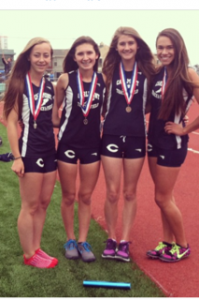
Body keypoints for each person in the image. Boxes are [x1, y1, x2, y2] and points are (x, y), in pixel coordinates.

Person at [100, 27, 155, 262]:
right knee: (112, 192)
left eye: (130, 43)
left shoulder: (148, 72)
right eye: (122, 44)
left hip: (135, 136)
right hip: (111, 134)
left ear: (138, 45)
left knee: (130, 192)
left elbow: (154, 103)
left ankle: (124, 241)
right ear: (116, 47)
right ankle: (111, 238)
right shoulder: (109, 71)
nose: (126, 48)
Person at [3, 37, 58, 268]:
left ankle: (36, 248)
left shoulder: (48, 85)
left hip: (49, 149)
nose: (42, 59)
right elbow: (11, 121)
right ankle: (28, 254)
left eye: (46, 55)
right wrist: (17, 157)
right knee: (30, 205)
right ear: (29, 57)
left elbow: (52, 119)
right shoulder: (19, 84)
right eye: (37, 55)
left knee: (44, 203)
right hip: (29, 150)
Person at [147, 28, 199, 262]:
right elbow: (151, 106)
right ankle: (167, 242)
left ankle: (183, 245)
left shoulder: (188, 74)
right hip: (154, 139)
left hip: (173, 142)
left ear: (178, 48)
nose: (164, 51)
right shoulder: (157, 73)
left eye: (169, 47)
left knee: (162, 198)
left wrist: (184, 128)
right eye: (160, 47)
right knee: (163, 196)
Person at [52, 36, 105, 262]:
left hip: (93, 144)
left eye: (89, 53)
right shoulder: (65, 79)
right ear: (74, 57)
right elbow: (56, 107)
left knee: (85, 195)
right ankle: (70, 239)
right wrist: (52, 124)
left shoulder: (104, 80)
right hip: (68, 143)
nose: (85, 57)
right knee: (68, 195)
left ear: (96, 56)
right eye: (80, 54)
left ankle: (83, 241)